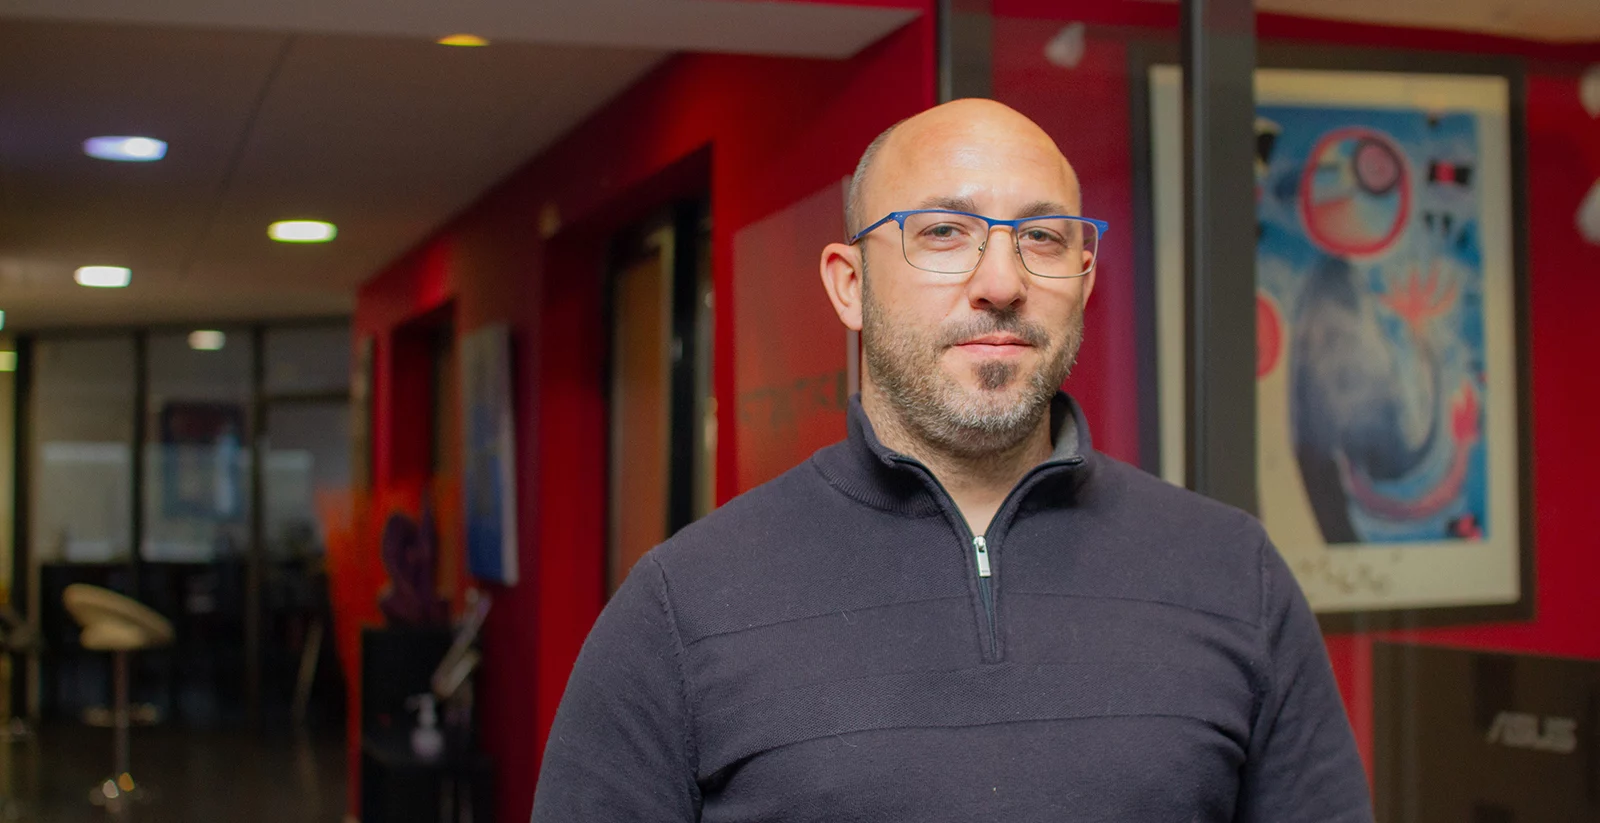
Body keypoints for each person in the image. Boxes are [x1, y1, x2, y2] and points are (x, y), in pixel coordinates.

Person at [531, 99, 1373, 822]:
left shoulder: (1233, 575)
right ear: (849, 284)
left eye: (1042, 236)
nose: (1001, 281)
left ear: (1084, 278)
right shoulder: (681, 608)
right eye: (943, 232)